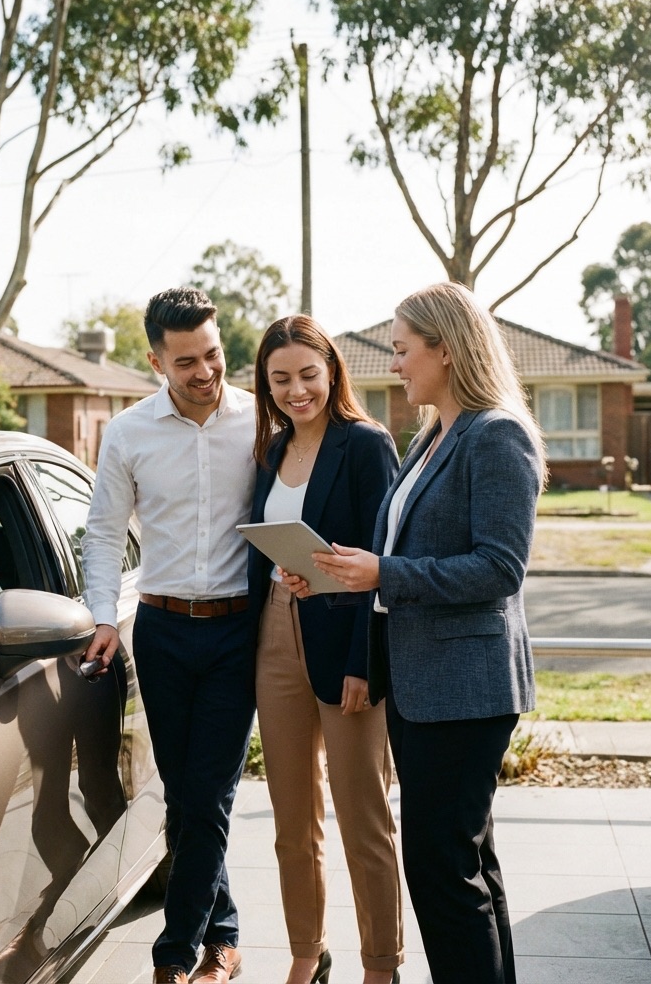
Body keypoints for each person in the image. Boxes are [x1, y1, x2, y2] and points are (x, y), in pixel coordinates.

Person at [304, 282, 548, 984]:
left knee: (441, 871)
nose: (394, 365)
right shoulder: (434, 435)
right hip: (421, 687)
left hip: (466, 692)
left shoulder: (495, 434)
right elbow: (400, 555)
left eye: (402, 349)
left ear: (446, 349)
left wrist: (382, 572)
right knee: (465, 864)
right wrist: (336, 575)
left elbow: (498, 568)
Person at [80, 286, 257, 984]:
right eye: (186, 361)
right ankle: (225, 934)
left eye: (212, 354)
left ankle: (174, 955)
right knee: (185, 798)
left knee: (207, 796)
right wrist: (103, 616)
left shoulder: (260, 420)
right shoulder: (128, 433)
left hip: (238, 631)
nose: (205, 371)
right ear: (157, 362)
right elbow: (102, 532)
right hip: (160, 633)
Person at [246, 315, 404, 984]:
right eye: (280, 379)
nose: (296, 391)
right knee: (291, 817)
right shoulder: (270, 451)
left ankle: (381, 965)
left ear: (332, 371)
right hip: (276, 633)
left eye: (308, 375)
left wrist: (365, 663)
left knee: (363, 815)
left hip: (347, 641)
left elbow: (386, 557)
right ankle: (308, 953)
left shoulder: (365, 444)